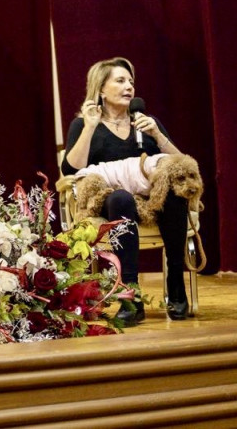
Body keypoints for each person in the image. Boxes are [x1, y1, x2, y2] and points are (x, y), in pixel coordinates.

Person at [61, 57, 188, 324]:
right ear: (101, 89)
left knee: (175, 193)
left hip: (149, 198)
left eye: (131, 81)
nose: (129, 86)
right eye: (120, 81)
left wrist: (158, 136)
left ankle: (176, 282)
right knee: (121, 198)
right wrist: (90, 127)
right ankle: (130, 294)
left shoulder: (146, 122)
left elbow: (181, 166)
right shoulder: (83, 124)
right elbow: (71, 169)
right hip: (108, 198)